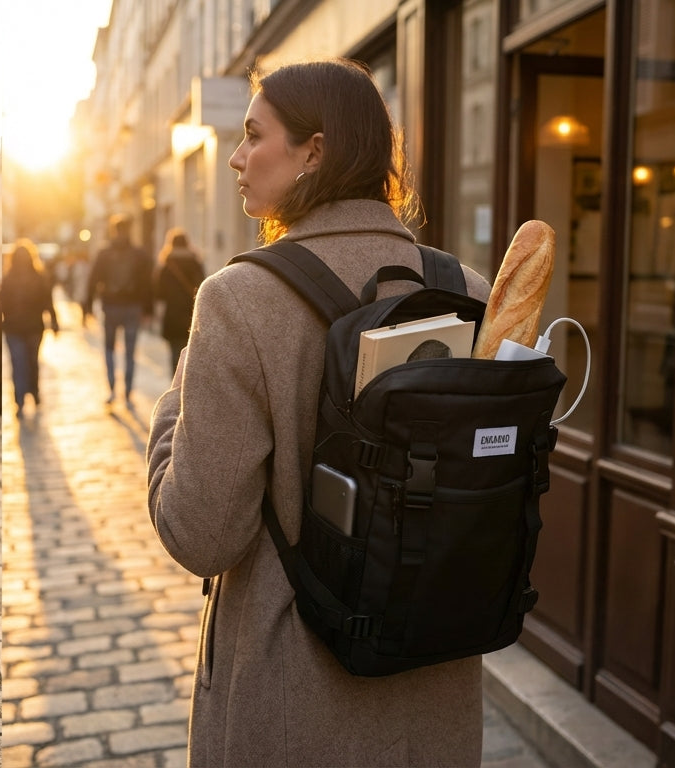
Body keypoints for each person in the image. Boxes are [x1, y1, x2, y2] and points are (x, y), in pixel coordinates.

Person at [145, 59, 492, 766]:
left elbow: (201, 534)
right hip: (437, 689)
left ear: (316, 149)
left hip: (293, 695)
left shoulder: (239, 300)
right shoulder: (471, 291)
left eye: (253, 135)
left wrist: (175, 401)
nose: (237, 158)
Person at [85, 214, 153, 404]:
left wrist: (88, 306)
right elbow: (147, 284)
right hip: (133, 307)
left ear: (113, 231)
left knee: (109, 348)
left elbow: (93, 279)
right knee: (130, 351)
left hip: (111, 306)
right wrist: (148, 310)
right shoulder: (139, 254)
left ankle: (112, 388)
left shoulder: (104, 254)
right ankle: (128, 390)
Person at [0, 239, 58, 415]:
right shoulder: (38, 277)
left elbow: (2, 304)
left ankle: (20, 399)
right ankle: (34, 392)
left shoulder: (7, 279)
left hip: (14, 328)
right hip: (33, 327)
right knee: (32, 361)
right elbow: (48, 301)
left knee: (18, 363)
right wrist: (54, 321)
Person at [153, 228, 206, 375]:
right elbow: (203, 287)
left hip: (172, 316)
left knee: (175, 354)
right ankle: (188, 383)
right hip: (192, 314)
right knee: (191, 353)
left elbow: (159, 293)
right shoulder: (196, 263)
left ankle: (176, 385)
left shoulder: (167, 265)